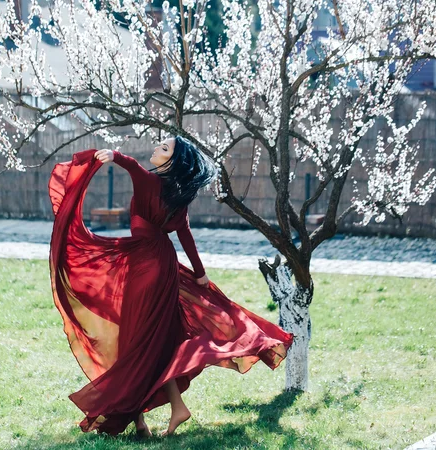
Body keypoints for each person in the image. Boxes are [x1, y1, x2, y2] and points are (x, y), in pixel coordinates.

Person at [48, 135, 294, 438]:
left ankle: (140, 416)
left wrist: (114, 155)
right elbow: (186, 236)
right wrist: (200, 273)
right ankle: (159, 414)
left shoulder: (149, 182)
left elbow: (131, 165)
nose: (156, 148)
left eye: (163, 148)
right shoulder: (177, 197)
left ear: (173, 162)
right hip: (162, 264)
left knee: (136, 340)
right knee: (151, 341)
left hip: (145, 267)